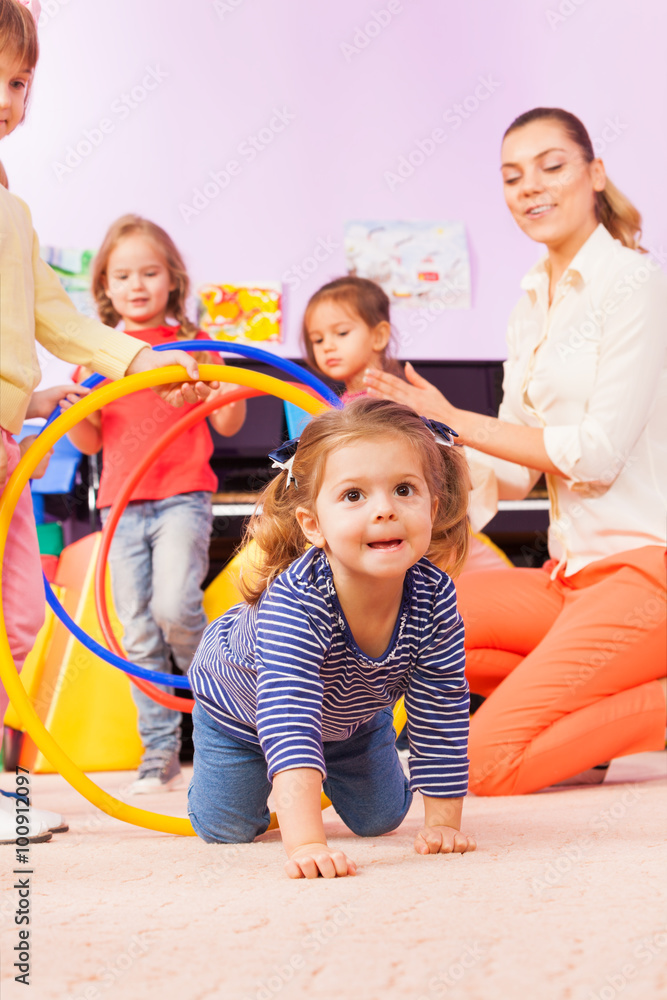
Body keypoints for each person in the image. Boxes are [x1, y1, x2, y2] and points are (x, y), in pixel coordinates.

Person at [364, 107, 667, 795]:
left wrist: (451, 418)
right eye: (511, 176)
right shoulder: (532, 295)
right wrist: (415, 459)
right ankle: (587, 708)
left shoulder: (634, 284)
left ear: (593, 175)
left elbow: (594, 456)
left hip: (646, 575)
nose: (529, 187)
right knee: (409, 625)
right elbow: (515, 469)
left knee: (479, 769)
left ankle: (653, 709)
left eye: (550, 166)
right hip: (569, 580)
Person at [0, 0, 216, 842]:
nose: (8, 97)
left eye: (19, 80)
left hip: (9, 444)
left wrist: (142, 360)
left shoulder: (14, 214)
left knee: (21, 618)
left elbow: (56, 318)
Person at [187, 397, 476, 878]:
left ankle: (341, 753)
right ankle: (252, 774)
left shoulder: (435, 595)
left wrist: (444, 824)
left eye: (404, 489)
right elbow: (289, 714)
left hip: (350, 718)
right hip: (242, 714)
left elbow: (442, 704)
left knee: (381, 819)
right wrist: (305, 844)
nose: (384, 510)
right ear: (312, 525)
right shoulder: (296, 604)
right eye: (354, 496)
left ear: (433, 505)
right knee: (229, 828)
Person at [66, 215, 246, 794]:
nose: (137, 284)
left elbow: (228, 421)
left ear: (172, 280)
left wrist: (223, 387)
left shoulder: (194, 349)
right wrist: (80, 412)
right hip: (118, 503)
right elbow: (88, 441)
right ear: (105, 287)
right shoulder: (97, 355)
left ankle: (227, 720)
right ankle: (160, 755)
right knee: (139, 631)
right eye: (123, 275)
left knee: (174, 608)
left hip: (181, 499)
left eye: (150, 272)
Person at [302, 275, 509, 574]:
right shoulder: (338, 406)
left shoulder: (391, 403)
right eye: (318, 339)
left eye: (341, 333)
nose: (327, 347)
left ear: (379, 336)